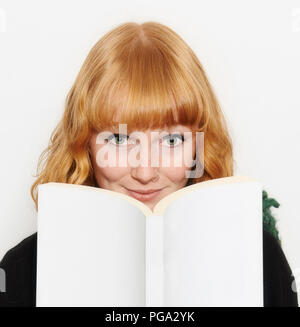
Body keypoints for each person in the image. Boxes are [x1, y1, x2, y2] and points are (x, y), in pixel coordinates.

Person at [0, 21, 298, 307]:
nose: (144, 172)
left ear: (199, 145)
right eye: (118, 139)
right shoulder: (22, 270)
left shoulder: (260, 258)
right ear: (85, 143)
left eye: (171, 141)